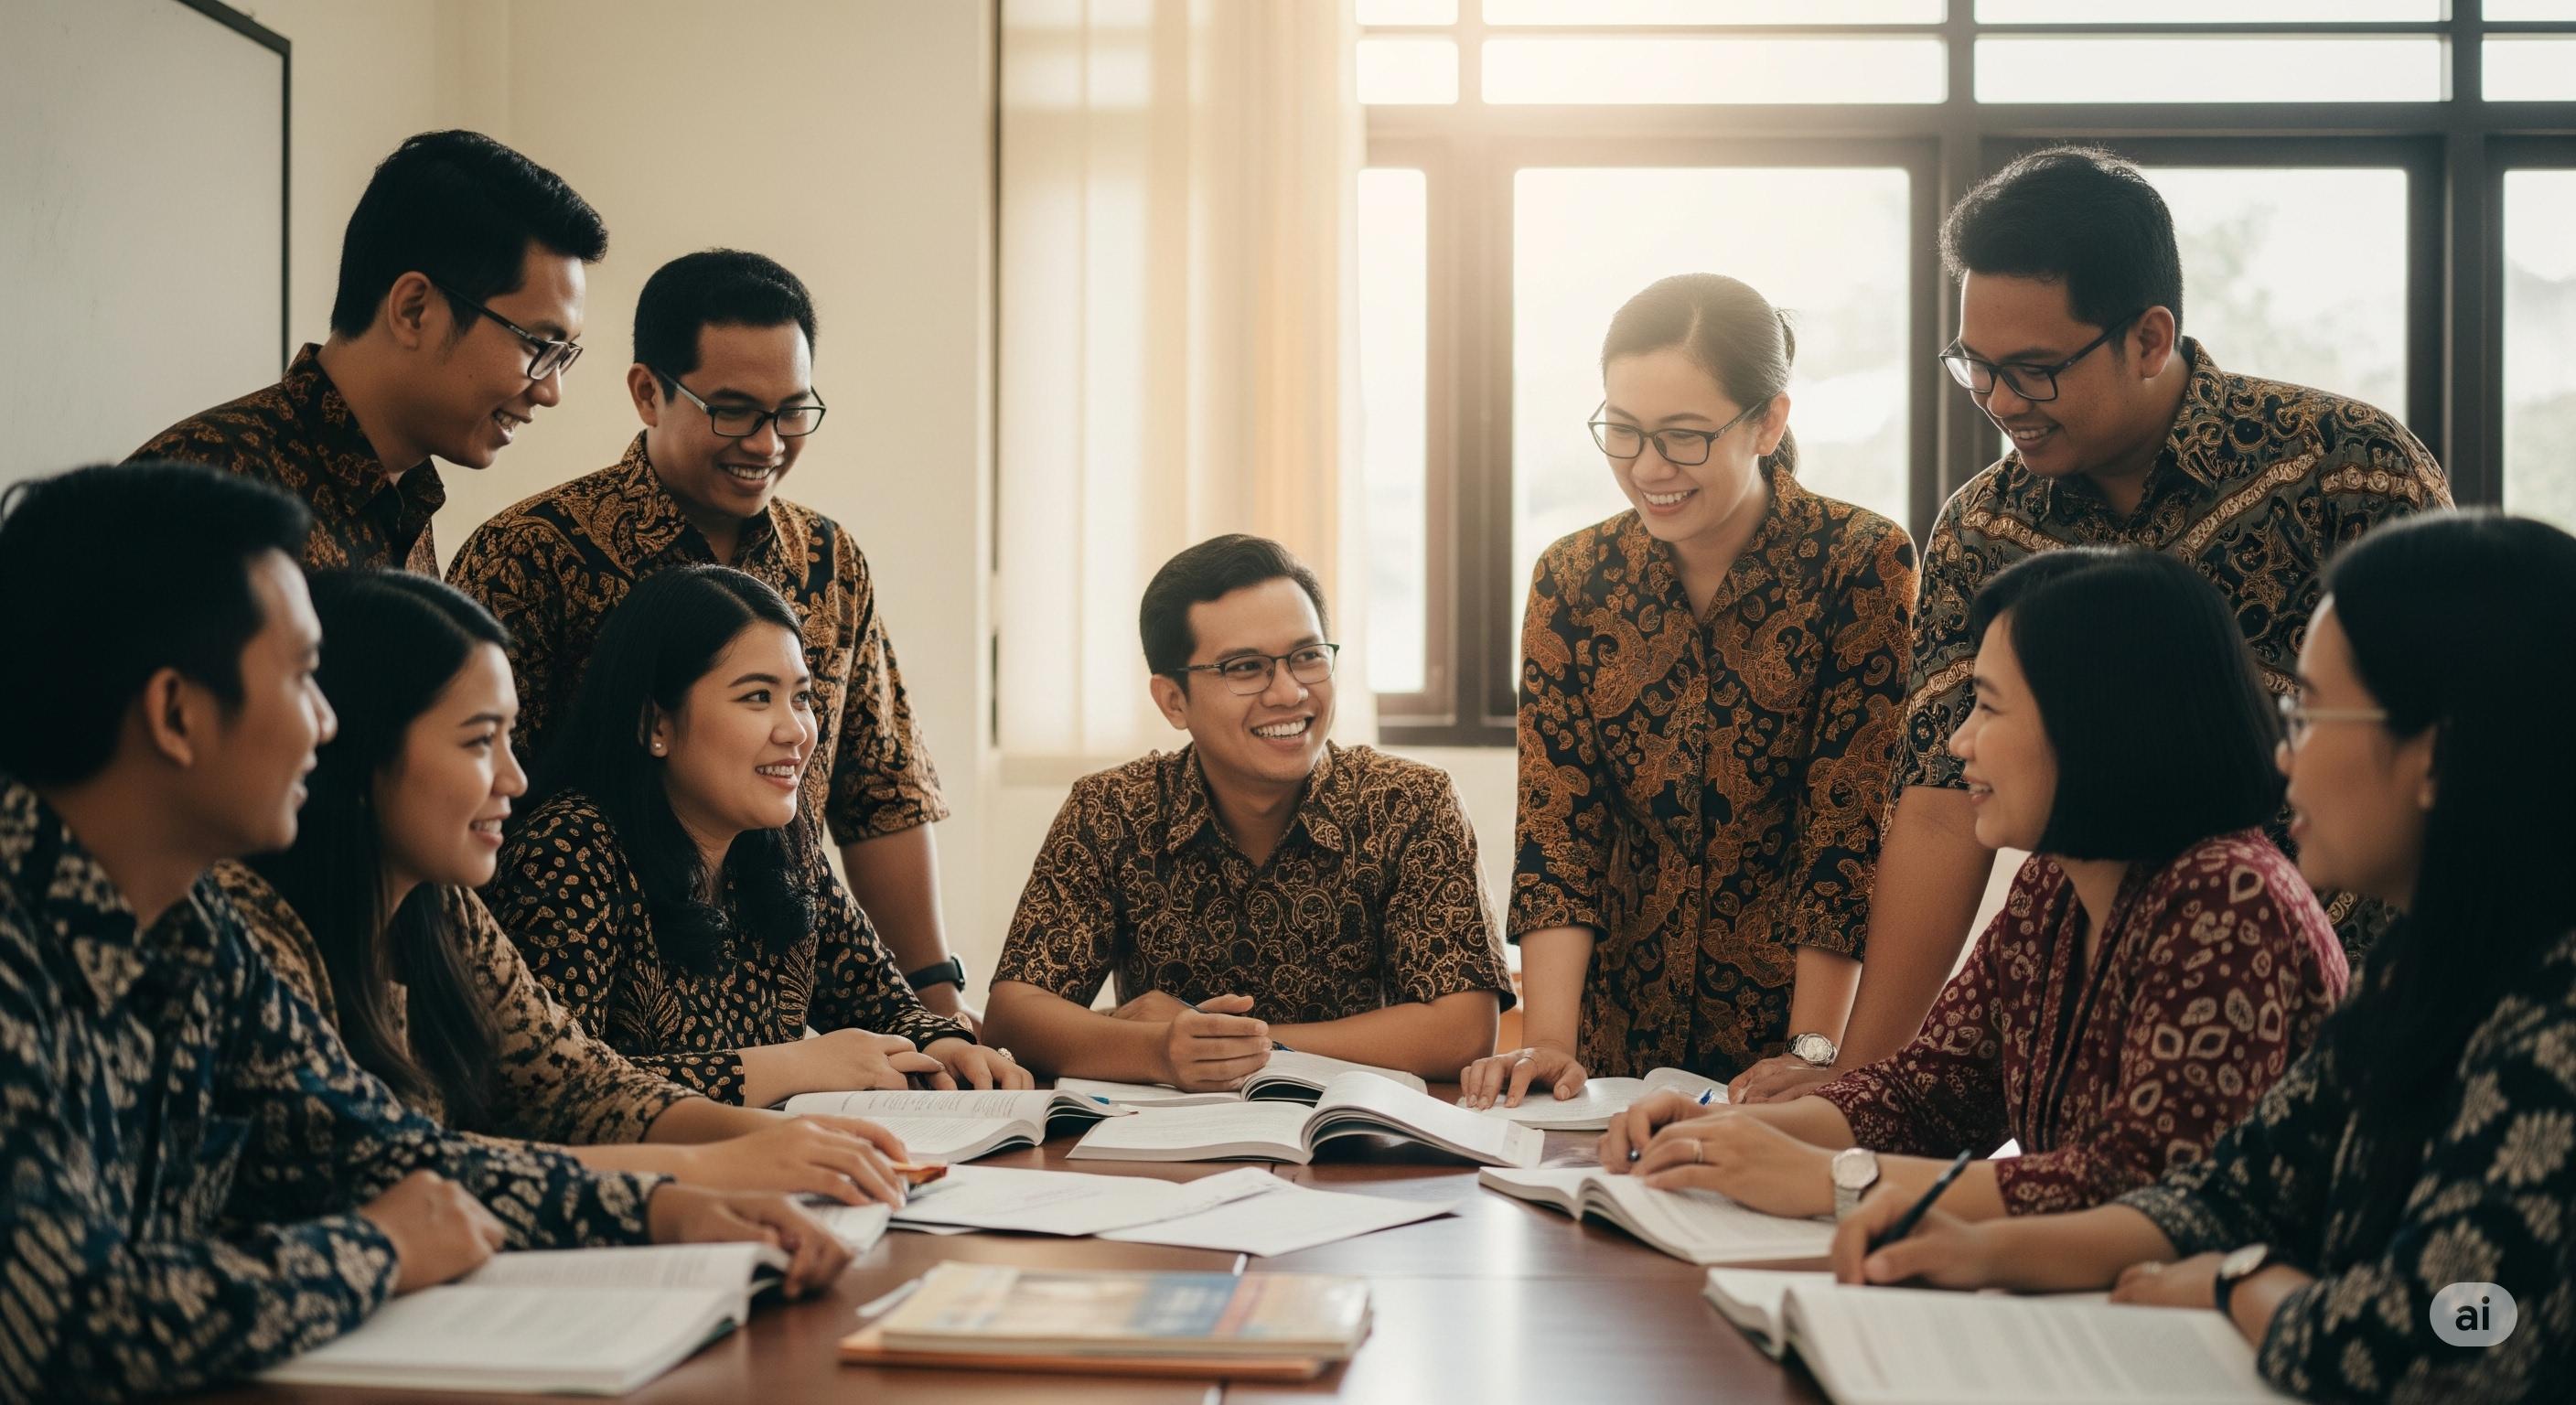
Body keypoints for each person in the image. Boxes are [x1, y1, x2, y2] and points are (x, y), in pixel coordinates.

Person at [0, 464, 845, 1403]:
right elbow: (70, 1328)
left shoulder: (189, 924)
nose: (327, 727)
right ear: (175, 712)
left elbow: (384, 1152)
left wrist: (666, 1209)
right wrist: (382, 1246)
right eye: (299, 681)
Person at [1736, 145, 2452, 1106]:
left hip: (2370, 1034)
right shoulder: (1984, 529)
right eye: (1974, 368)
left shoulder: (2342, 473)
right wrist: (1857, 1082)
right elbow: (1943, 808)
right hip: (2113, 1041)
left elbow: (2451, 762)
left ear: (2148, 338)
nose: (1997, 404)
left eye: (2032, 372)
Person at [1829, 511, 2576, 1403]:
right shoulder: (2422, 963)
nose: (2280, 752)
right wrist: (1975, 1250)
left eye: (2307, 711)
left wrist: (2241, 1287)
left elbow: (2454, 1333)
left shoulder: (2552, 1018)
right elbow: (2224, 1191)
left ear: (2432, 755)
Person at [1598, 549, 2346, 1222]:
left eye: (1988, 706)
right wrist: (1723, 1130)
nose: (1959, 742)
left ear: (2095, 724)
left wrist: (1835, 1181)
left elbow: (2141, 1192)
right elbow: (1928, 1097)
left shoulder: (2229, 900)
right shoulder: (2053, 885)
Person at [224, 569, 912, 1206]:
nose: (514, 779)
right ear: (358, 749)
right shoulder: (246, 928)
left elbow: (577, 1084)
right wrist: (698, 1176)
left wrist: (781, 1140)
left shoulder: (441, 904)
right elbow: (387, 1167)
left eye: (801, 698)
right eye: (477, 742)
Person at [447, 249, 976, 1028]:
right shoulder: (532, 553)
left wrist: (936, 1008)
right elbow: (459, 789)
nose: (766, 443)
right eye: (732, 410)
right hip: (577, 994)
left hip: (767, 981)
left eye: (792, 412)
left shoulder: (830, 563)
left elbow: (882, 796)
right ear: (647, 393)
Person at [1455, 273, 1916, 1110]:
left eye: (1684, 437)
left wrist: (1818, 1054)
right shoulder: (1572, 577)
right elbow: (1560, 826)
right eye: (1623, 433)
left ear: (1769, 420)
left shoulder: (1861, 562)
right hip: (1613, 1047)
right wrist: (1551, 1044)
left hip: (1794, 1039)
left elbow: (1844, 827)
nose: (1647, 468)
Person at [983, 535, 1510, 1089]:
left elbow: (1462, 1031)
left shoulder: (1409, 802)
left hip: (1354, 1147)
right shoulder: (1111, 811)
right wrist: (1155, 1051)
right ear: (1173, 701)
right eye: (1245, 667)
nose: (1288, 693)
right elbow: (1015, 1016)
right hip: (1160, 1156)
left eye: (1307, 657)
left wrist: (1231, 1044)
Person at [490, 565, 1021, 1104]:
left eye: (802, 698)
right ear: (655, 725)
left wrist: (946, 1044)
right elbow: (553, 1088)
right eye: (757, 698)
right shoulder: (568, 850)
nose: (796, 730)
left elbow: (885, 1004)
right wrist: (794, 1065)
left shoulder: (783, 844)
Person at [133, 130, 606, 573]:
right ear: (414, 310)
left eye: (564, 354)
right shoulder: (203, 490)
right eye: (538, 345)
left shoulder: (403, 495)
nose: (550, 392)